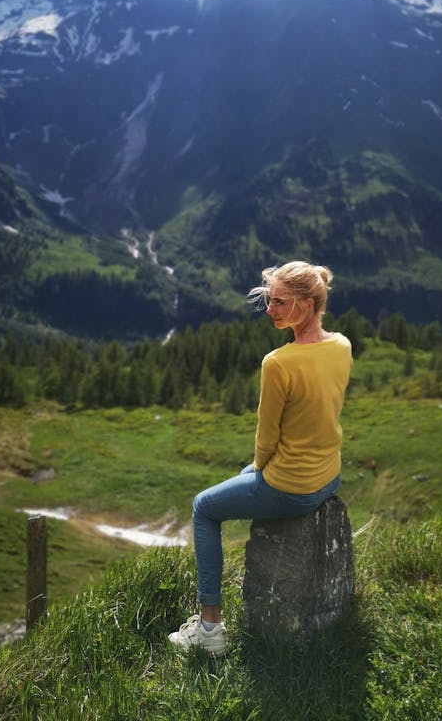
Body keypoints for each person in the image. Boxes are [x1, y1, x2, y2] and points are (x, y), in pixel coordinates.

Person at [168, 260, 353, 655]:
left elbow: (266, 438)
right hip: (329, 475)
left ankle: (210, 630)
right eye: (269, 301)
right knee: (243, 478)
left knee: (204, 507)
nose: (270, 310)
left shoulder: (279, 362)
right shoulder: (341, 346)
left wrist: (257, 468)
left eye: (279, 303)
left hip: (292, 486)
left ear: (306, 304)